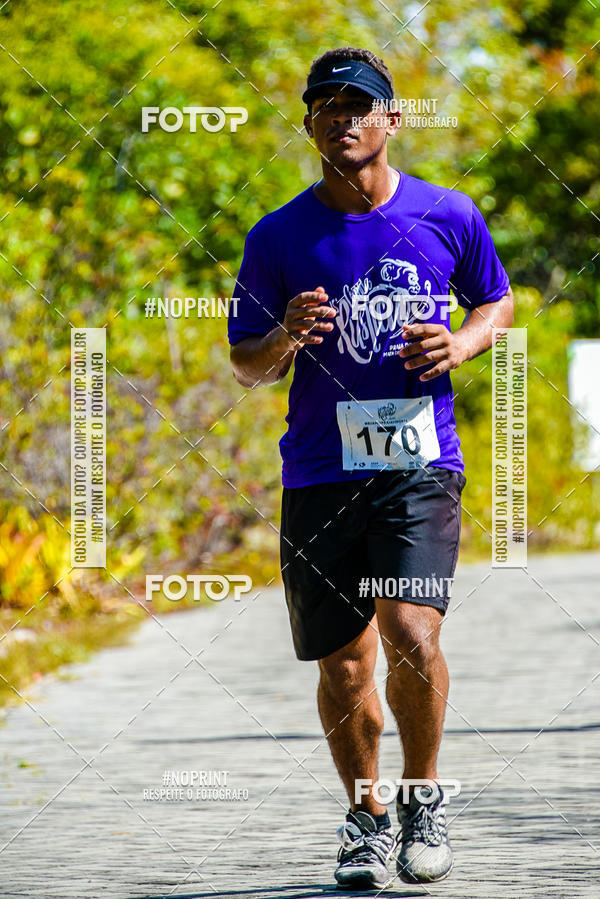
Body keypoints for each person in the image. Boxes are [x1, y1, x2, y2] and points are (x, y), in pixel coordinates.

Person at [228, 46, 513, 890]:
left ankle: (424, 798)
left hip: (418, 462)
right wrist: (285, 334)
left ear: (392, 120)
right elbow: (246, 363)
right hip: (319, 470)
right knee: (345, 663)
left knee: (412, 631)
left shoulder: (447, 212)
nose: (345, 117)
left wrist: (460, 341)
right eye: (328, 106)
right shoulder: (278, 236)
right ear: (309, 123)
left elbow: (495, 298)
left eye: (362, 105)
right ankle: (367, 817)